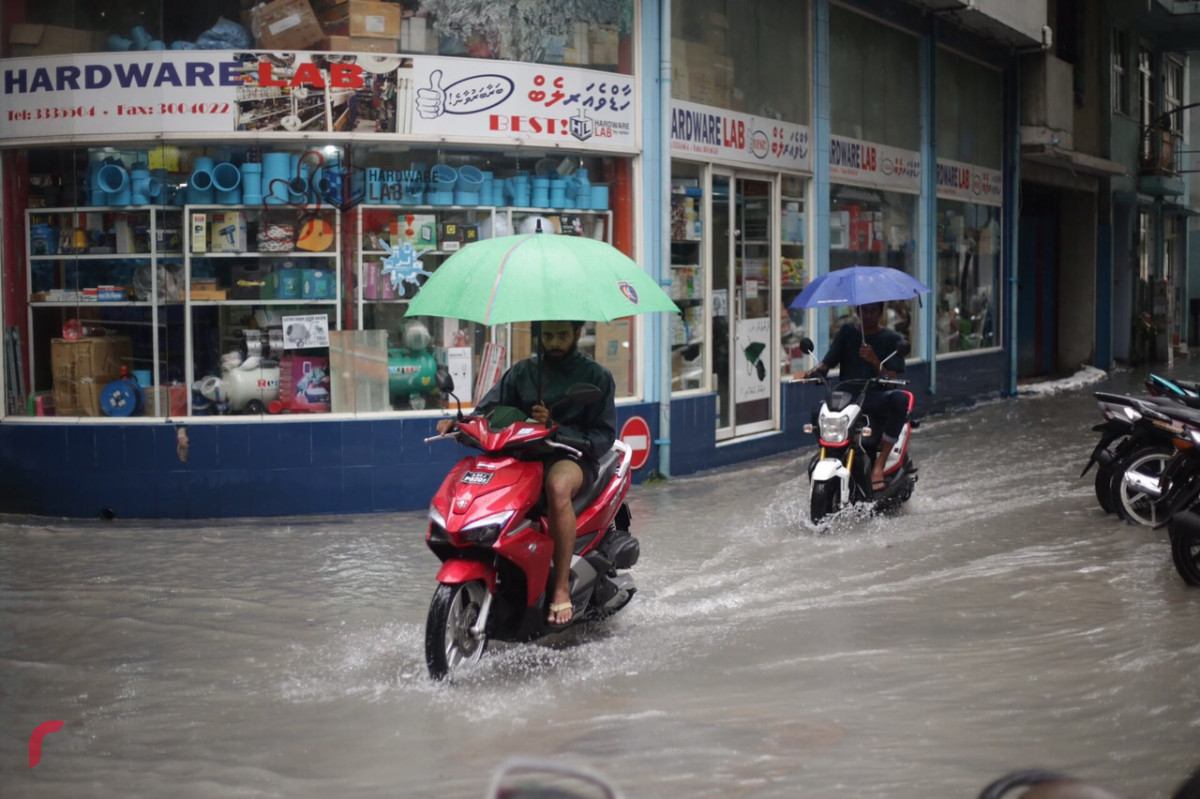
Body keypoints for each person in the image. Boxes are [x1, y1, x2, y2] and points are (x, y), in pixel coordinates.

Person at [436, 320, 616, 627]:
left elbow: (602, 436)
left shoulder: (597, 377)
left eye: (561, 335)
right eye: (548, 335)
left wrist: (555, 426)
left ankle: (560, 588)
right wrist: (462, 423)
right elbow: (490, 408)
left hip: (570, 456)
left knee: (557, 487)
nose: (554, 342)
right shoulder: (523, 372)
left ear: (576, 333)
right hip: (524, 454)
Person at [797, 301, 908, 493]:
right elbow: (826, 364)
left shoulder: (892, 338)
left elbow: (891, 379)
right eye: (864, 310)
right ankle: (830, 455)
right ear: (858, 312)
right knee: (817, 411)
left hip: (875, 397)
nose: (868, 315)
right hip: (846, 398)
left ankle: (879, 466)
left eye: (873, 310)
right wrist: (810, 373)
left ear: (881, 313)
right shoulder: (848, 332)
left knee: (899, 399)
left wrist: (874, 360)